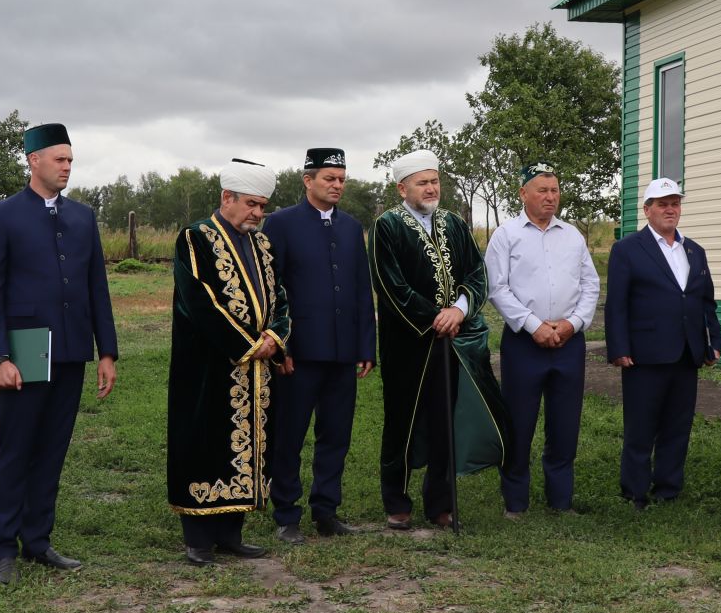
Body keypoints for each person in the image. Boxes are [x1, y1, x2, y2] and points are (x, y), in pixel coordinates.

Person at [0, 122, 119, 585]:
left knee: (53, 449)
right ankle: (3, 547)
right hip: (23, 353)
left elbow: (98, 287)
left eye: (71, 161)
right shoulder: (2, 216)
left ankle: (37, 541)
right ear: (33, 160)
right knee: (15, 449)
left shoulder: (83, 217)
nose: (67, 168)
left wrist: (107, 352)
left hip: (73, 351)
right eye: (60, 160)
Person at [369, 151, 508, 530]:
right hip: (408, 346)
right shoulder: (387, 226)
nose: (431, 188)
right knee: (403, 421)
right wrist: (435, 316)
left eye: (434, 181)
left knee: (446, 419)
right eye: (422, 182)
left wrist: (459, 310)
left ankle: (440, 503)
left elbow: (477, 274)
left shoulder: (454, 224)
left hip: (454, 342)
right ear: (402, 188)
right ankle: (396, 502)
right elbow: (391, 286)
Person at [168, 159, 292, 566]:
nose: (258, 213)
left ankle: (231, 534)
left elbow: (280, 297)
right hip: (207, 365)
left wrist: (275, 336)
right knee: (206, 441)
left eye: (263, 206)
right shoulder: (195, 238)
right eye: (252, 204)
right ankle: (199, 539)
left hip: (256, 368)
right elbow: (199, 302)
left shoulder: (261, 244)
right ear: (227, 198)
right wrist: (247, 344)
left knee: (248, 445)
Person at [263, 148, 374, 543]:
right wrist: (281, 346)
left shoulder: (351, 227)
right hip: (299, 354)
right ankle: (287, 514)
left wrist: (365, 347)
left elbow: (362, 291)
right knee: (290, 434)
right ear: (307, 180)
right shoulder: (280, 224)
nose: (337, 185)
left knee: (336, 435)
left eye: (342, 179)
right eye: (329, 178)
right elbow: (271, 289)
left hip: (343, 353)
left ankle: (326, 510)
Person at [485, 161, 600, 517]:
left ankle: (560, 500)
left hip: (568, 342)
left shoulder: (572, 235)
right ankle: (516, 502)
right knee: (519, 422)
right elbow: (497, 288)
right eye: (542, 191)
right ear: (523, 194)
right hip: (524, 343)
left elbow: (590, 284)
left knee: (565, 424)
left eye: (554, 191)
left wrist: (572, 323)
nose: (550, 198)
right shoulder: (506, 235)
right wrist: (534, 325)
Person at [604, 178, 721, 510]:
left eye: (675, 203)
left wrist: (712, 341)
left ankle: (668, 488)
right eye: (662, 204)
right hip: (644, 355)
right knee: (641, 427)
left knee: (677, 425)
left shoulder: (693, 250)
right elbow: (617, 305)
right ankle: (635, 491)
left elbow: (705, 301)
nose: (670, 209)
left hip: (686, 353)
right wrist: (619, 348)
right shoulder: (627, 249)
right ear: (647, 210)